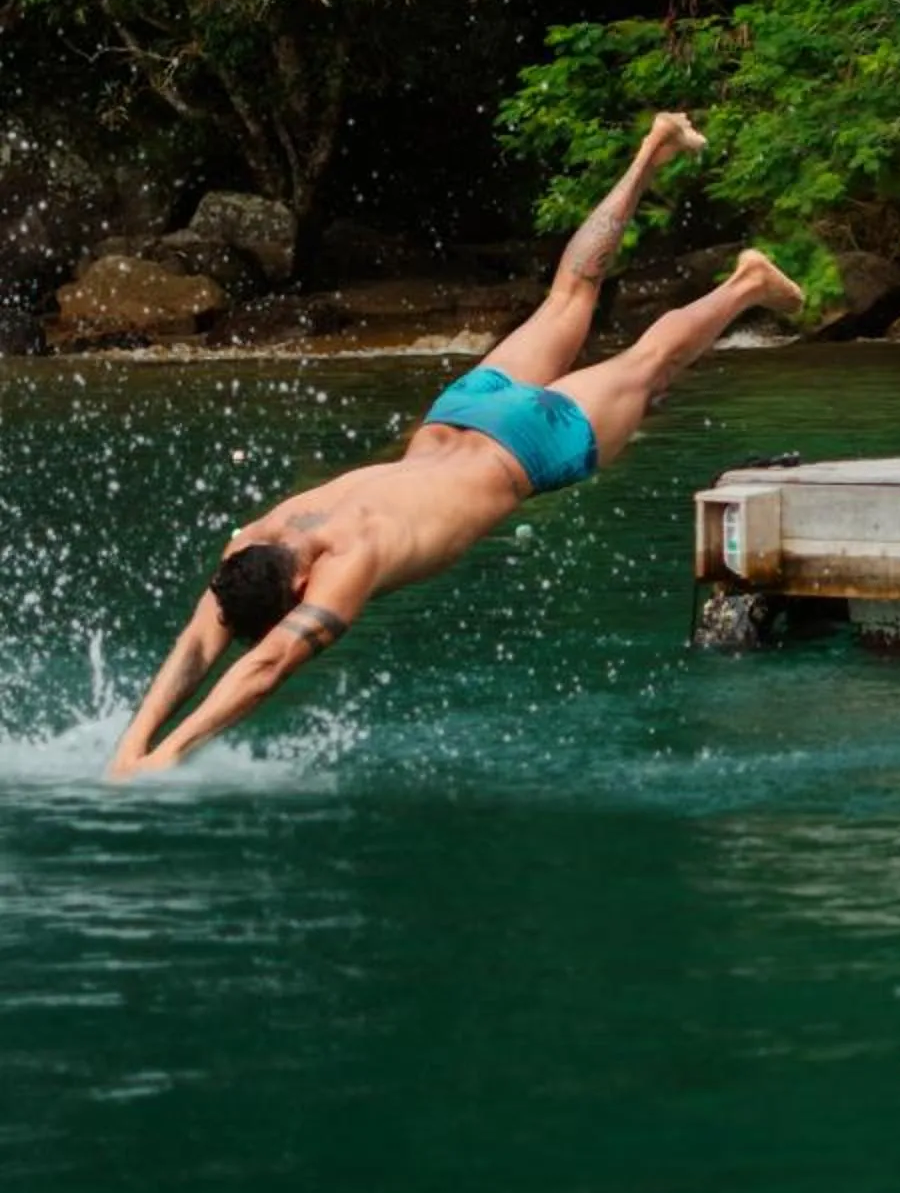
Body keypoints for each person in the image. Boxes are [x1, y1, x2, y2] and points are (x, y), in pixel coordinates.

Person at [108, 113, 801, 776]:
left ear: (297, 587)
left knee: (650, 365)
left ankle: (746, 284)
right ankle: (655, 147)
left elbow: (260, 671)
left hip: (523, 449)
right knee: (569, 294)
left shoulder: (349, 565)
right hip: (456, 417)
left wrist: (170, 754)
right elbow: (203, 638)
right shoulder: (258, 540)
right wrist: (130, 747)